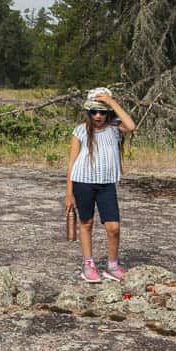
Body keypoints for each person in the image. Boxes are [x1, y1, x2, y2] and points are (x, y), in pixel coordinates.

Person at [64, 87, 137, 283]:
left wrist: (111, 102)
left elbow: (131, 125)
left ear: (108, 112)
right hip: (82, 182)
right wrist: (69, 193)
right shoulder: (80, 131)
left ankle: (112, 266)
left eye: (102, 111)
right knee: (86, 223)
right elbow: (72, 163)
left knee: (113, 227)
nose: (98, 116)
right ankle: (88, 264)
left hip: (106, 185)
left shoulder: (115, 128)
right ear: (88, 112)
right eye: (94, 111)